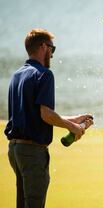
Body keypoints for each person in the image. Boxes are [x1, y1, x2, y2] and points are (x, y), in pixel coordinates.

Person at [5, 29, 94, 208]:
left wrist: (73, 119)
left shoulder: (17, 75)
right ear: (43, 46)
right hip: (32, 152)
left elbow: (35, 115)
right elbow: (46, 115)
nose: (52, 55)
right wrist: (74, 128)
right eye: (52, 49)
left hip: (15, 151)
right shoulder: (44, 74)